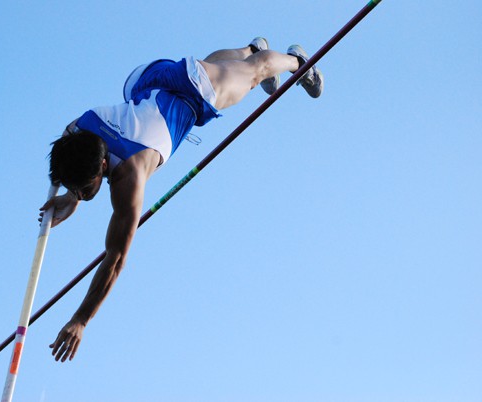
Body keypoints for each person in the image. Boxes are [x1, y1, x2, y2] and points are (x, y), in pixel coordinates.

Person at [42, 38, 323, 362]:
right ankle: (251, 48)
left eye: (82, 188)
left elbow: (116, 259)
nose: (81, 193)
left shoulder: (129, 179)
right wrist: (71, 197)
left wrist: (80, 319)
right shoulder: (84, 125)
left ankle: (297, 63)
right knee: (214, 67)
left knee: (253, 74)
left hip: (195, 92)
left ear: (103, 166)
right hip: (148, 81)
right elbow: (64, 139)